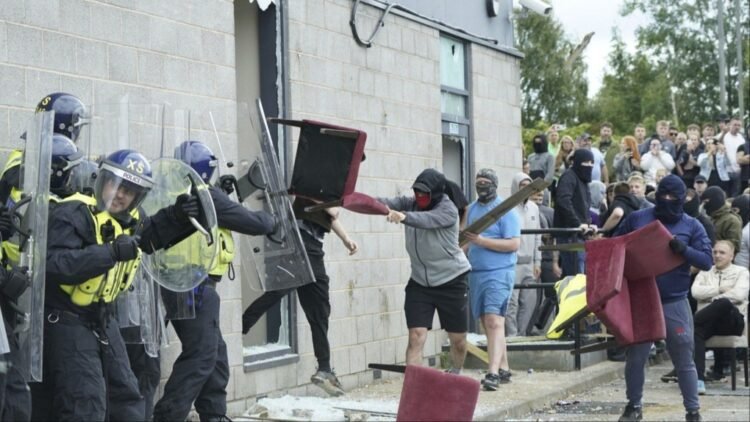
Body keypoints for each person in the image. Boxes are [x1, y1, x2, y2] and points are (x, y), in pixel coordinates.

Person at [30, 150, 198, 421]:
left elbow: (149, 236)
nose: (120, 195)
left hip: (103, 319)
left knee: (126, 396)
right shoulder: (73, 212)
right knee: (85, 402)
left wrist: (176, 216)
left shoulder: (129, 221)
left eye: (129, 191)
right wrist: (109, 253)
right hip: (65, 319)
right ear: (102, 181)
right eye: (115, 185)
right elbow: (54, 264)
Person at [152, 141, 277, 421]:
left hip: (174, 281)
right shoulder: (205, 196)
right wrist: (272, 221)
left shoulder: (171, 192)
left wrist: (222, 191)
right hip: (193, 285)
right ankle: (168, 416)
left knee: (215, 353)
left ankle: (214, 413)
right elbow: (252, 222)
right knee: (201, 355)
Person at [614, 175, 712, 422]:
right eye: (663, 195)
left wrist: (684, 250)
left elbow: (706, 261)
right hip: (642, 299)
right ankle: (633, 405)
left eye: (672, 197)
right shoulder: (637, 218)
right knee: (636, 357)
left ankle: (693, 411)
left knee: (684, 358)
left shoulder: (692, 226)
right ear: (657, 195)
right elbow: (614, 247)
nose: (667, 200)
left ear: (682, 199)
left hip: (674, 300)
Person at [242, 197, 358, 397]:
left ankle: (324, 369)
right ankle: (241, 328)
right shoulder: (314, 181)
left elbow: (331, 216)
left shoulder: (327, 188)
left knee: (319, 311)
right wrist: (330, 206)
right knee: (277, 293)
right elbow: (327, 207)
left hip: (314, 248)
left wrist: (346, 238)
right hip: (300, 242)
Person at [376, 169, 471, 373]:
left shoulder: (447, 210)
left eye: (424, 192)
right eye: (416, 191)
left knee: (458, 340)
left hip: (452, 280)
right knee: (416, 336)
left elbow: (427, 220)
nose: (419, 196)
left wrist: (403, 216)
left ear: (435, 193)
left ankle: (456, 372)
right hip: (420, 282)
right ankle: (413, 385)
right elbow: (382, 203)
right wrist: (350, 200)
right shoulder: (410, 203)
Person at [464, 169, 520, 390]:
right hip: (476, 272)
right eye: (478, 182)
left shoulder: (505, 210)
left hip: (499, 272)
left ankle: (492, 373)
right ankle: (504, 367)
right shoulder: (471, 209)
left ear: (494, 185)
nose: (481, 186)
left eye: (486, 182)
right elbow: (464, 240)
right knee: (487, 323)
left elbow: (513, 244)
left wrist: (482, 241)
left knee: (494, 320)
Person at [691, 240, 749, 394]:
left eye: (722, 253)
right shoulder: (705, 271)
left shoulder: (741, 272)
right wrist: (719, 289)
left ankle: (691, 322)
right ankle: (698, 380)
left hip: (732, 322)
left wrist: (714, 299)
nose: (717, 255)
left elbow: (739, 294)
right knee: (697, 331)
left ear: (732, 256)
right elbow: (695, 292)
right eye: (715, 252)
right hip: (710, 322)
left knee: (724, 303)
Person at [505, 173, 540, 338]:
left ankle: (521, 334)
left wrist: (537, 261)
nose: (526, 189)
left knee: (529, 301)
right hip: (512, 262)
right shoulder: (508, 208)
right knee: (511, 303)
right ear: (515, 187)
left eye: (528, 185)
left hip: (530, 263)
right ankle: (512, 336)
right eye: (522, 185)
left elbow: (538, 236)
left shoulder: (534, 208)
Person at [553, 149, 595, 277]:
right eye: (586, 162)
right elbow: (563, 200)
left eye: (592, 162)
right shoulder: (569, 177)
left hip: (577, 234)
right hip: (570, 234)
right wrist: (577, 223)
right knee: (576, 276)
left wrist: (588, 224)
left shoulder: (582, 180)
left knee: (576, 276)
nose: (589, 166)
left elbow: (582, 206)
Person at [701, 186, 742, 252]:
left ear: (715, 201)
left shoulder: (732, 220)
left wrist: (713, 242)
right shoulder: (711, 217)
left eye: (706, 202)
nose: (704, 206)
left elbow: (734, 246)